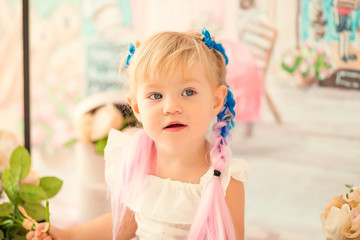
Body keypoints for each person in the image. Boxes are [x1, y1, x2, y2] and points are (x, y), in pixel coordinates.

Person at [26, 28, 251, 240]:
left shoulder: (224, 180)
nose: (171, 107)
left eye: (188, 92)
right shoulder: (138, 159)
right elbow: (124, 225)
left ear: (216, 100)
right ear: (136, 108)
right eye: (155, 96)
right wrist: (67, 235)